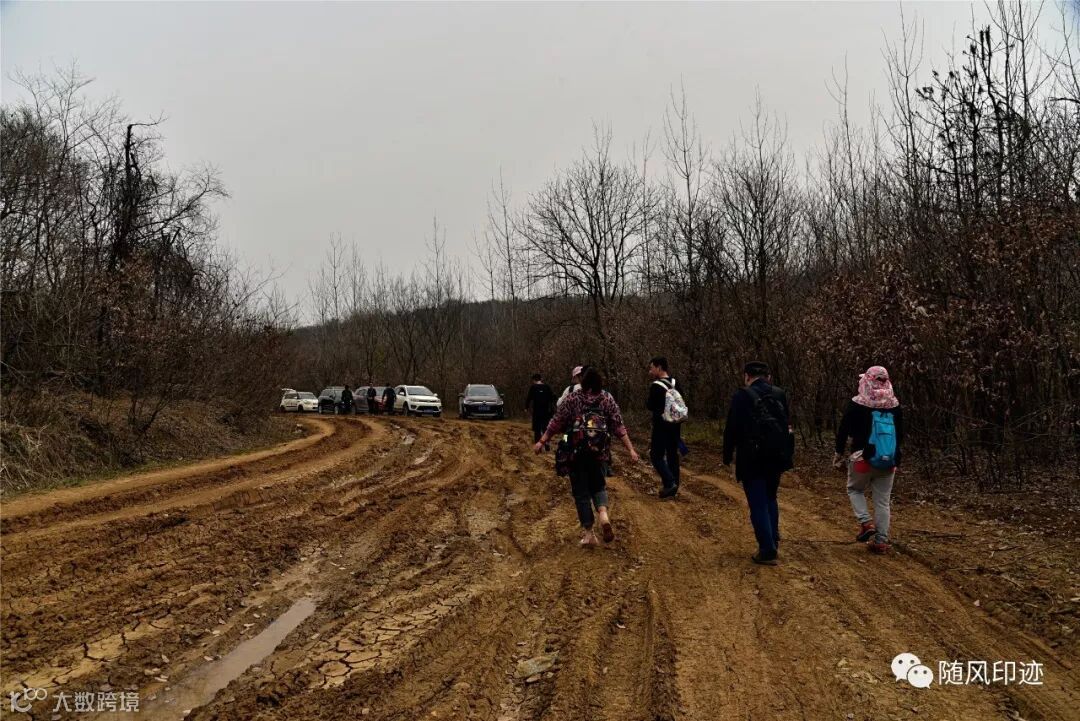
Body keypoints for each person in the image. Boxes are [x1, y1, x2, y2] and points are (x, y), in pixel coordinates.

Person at [534, 367, 640, 547]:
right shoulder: (607, 398)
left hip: (576, 454)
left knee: (581, 493)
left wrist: (542, 441)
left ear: (583, 382)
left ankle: (589, 533)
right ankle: (604, 515)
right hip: (600, 453)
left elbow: (556, 421)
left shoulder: (573, 398)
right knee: (598, 485)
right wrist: (630, 449)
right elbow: (618, 426)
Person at [723, 361, 794, 566]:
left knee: (757, 502)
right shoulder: (779, 393)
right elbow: (786, 425)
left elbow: (732, 428)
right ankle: (773, 538)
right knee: (771, 497)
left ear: (747, 376)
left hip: (751, 457)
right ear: (768, 376)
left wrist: (727, 455)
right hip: (776, 457)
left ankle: (767, 549)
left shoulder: (742, 396)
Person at [834, 366, 904, 554]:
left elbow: (843, 430)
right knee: (882, 502)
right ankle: (881, 542)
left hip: (862, 459)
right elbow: (901, 435)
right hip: (888, 461)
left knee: (854, 489)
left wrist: (839, 453)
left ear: (866, 380)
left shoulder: (857, 403)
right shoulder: (895, 405)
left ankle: (866, 523)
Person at [647, 356, 682, 499]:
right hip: (675, 424)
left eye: (652, 368)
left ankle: (669, 482)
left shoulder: (656, 386)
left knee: (656, 455)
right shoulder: (675, 382)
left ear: (659, 367)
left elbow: (650, 405)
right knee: (672, 454)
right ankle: (674, 486)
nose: (650, 371)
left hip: (661, 425)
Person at [525, 373, 556, 447]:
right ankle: (547, 442)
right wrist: (554, 408)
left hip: (537, 412)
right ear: (541, 379)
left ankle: (537, 445)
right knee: (546, 428)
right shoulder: (547, 387)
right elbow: (553, 398)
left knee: (537, 429)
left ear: (534, 380)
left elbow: (529, 398)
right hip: (546, 411)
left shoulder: (533, 387)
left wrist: (526, 407)